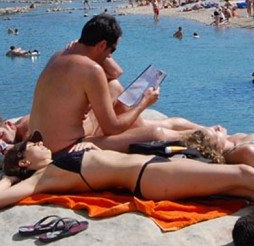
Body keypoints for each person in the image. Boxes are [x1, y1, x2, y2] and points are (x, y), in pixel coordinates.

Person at [0, 131, 254, 215]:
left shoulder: (59, 159)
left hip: (155, 170)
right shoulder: (41, 177)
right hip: (149, 180)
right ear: (22, 161)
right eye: (31, 143)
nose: (37, 140)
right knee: (245, 176)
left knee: (245, 183)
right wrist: (10, 178)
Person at [27, 14, 199, 155]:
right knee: (155, 134)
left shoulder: (59, 55)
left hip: (41, 143)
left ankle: (190, 130)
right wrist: (144, 103)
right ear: (102, 45)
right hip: (64, 149)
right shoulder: (91, 69)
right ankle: (206, 137)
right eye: (112, 50)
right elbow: (111, 129)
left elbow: (115, 73)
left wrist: (82, 46)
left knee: (114, 86)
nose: (110, 56)